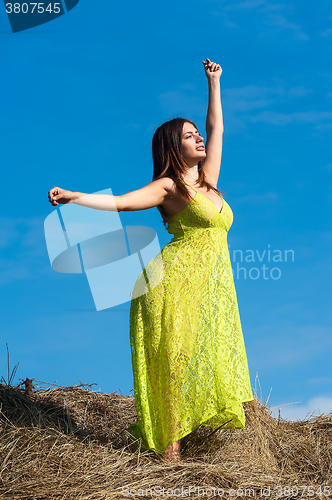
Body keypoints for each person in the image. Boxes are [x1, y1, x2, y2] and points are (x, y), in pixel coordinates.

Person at [48, 58, 255, 463]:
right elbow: (123, 203)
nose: (198, 139)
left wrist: (214, 83)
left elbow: (218, 129)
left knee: (199, 353)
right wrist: (75, 197)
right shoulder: (169, 186)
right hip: (172, 281)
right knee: (174, 359)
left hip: (208, 283)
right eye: (188, 136)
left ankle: (177, 440)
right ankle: (169, 453)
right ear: (172, 147)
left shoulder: (209, 179)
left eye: (197, 134)